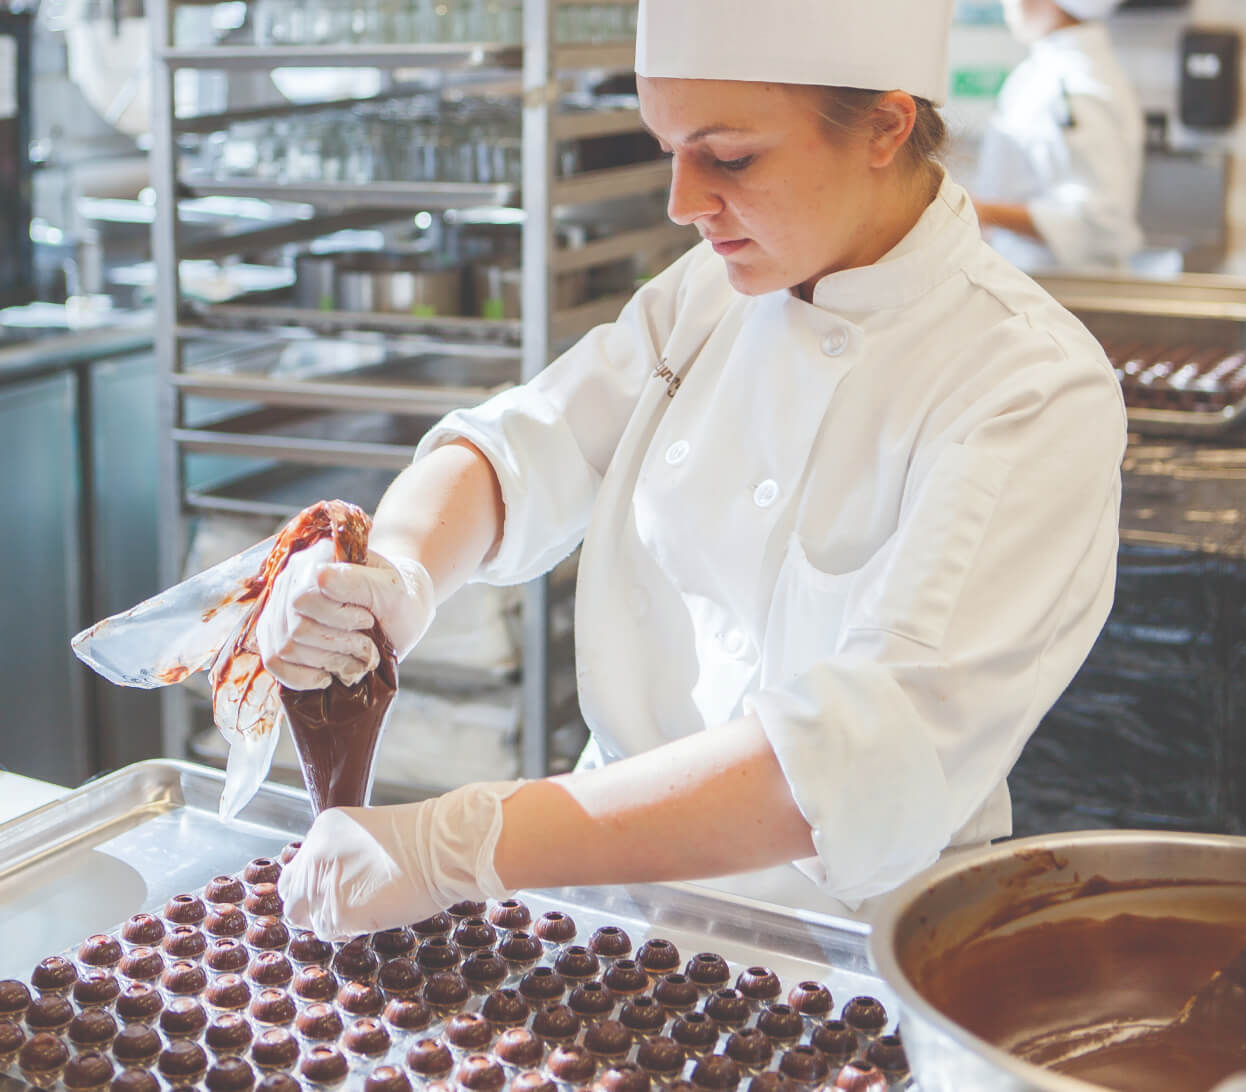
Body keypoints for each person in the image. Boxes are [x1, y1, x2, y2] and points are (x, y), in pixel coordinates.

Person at [259, 0, 1127, 940]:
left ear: (885, 125)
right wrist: (392, 572)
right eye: (668, 147)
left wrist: (466, 843)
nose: (682, 201)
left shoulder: (1029, 388)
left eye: (731, 156)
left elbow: (859, 756)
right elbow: (522, 444)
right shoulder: (711, 289)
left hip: (845, 951)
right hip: (603, 912)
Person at [972, 0, 1144, 272]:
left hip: (1063, 289)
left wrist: (980, 211)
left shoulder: (1077, 83)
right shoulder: (1050, 70)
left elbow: (1097, 221)